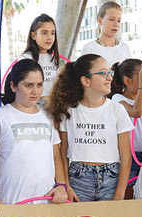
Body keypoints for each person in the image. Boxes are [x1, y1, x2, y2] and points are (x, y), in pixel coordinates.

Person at [48, 54, 133, 202]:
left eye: (110, 73)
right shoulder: (69, 111)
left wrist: (120, 193)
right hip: (78, 180)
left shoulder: (117, 110)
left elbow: (126, 156)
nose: (109, 78)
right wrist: (67, 186)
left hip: (111, 180)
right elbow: (62, 153)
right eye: (103, 73)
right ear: (86, 80)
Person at [0, 59, 67, 205]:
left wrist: (61, 186)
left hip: (46, 202)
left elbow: (56, 155)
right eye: (28, 85)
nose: (35, 91)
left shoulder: (48, 117)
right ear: (13, 86)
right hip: (10, 202)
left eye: (39, 85)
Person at [109, 58, 142, 183]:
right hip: (129, 157)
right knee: (129, 188)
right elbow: (136, 112)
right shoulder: (117, 99)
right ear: (127, 81)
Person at [19, 14, 62, 102]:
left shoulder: (53, 58)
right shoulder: (26, 58)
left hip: (53, 105)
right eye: (44, 33)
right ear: (33, 35)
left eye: (52, 33)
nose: (50, 37)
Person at [80, 2, 131, 66]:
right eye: (111, 19)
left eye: (119, 21)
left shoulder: (125, 48)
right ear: (100, 21)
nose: (116, 24)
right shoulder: (89, 49)